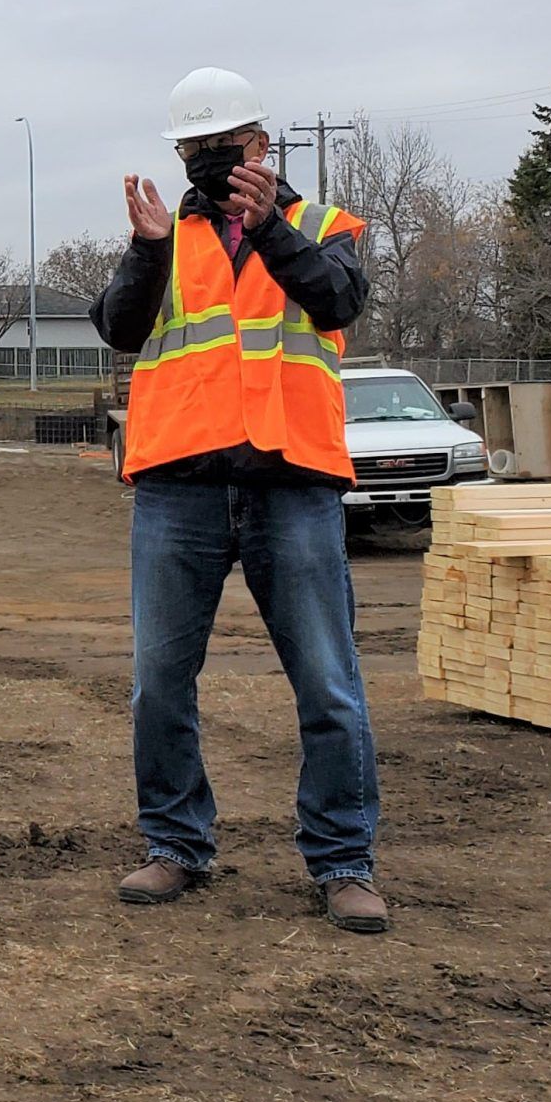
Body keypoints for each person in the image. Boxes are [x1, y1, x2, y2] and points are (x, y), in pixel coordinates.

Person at [92, 67, 383, 932]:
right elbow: (120, 327)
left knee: (329, 684)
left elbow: (339, 299)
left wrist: (270, 231)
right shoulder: (165, 237)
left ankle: (343, 860)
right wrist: (145, 251)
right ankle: (176, 844)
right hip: (178, 485)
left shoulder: (319, 226)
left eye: (224, 149)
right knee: (158, 686)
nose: (211, 165)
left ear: (261, 144)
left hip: (292, 483)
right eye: (195, 151)